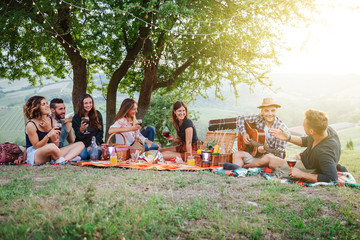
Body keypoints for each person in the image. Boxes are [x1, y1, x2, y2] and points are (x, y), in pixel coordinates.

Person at [268, 109, 341, 183]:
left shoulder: (324, 153)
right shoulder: (323, 129)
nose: (303, 127)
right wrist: (288, 138)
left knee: (272, 162)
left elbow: (332, 178)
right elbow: (306, 141)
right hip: (306, 158)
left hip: (310, 168)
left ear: (311, 131)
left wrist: (301, 174)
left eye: (304, 126)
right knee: (271, 160)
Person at [24, 96, 84, 165]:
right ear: (36, 107)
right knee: (51, 146)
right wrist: (48, 135)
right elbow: (36, 146)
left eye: (47, 103)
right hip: (36, 155)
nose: (47, 106)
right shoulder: (31, 124)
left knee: (80, 144)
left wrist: (49, 129)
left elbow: (56, 144)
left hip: (51, 150)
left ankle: (63, 160)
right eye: (43, 104)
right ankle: (63, 160)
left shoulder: (53, 121)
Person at [230, 98, 289, 169]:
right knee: (236, 154)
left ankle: (245, 167)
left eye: (273, 110)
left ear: (276, 111)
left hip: (269, 159)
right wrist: (244, 133)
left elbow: (280, 154)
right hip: (255, 156)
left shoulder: (282, 129)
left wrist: (265, 151)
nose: (270, 114)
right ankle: (237, 170)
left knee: (268, 157)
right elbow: (240, 118)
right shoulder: (258, 118)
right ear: (262, 112)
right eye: (266, 111)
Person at [72, 94, 104, 160]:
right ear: (81, 104)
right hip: (81, 144)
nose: (88, 105)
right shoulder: (76, 118)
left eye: (90, 102)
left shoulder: (97, 115)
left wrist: (91, 145)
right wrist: (81, 131)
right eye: (86, 103)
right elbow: (78, 136)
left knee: (92, 154)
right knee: (82, 156)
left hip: (95, 143)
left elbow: (100, 133)